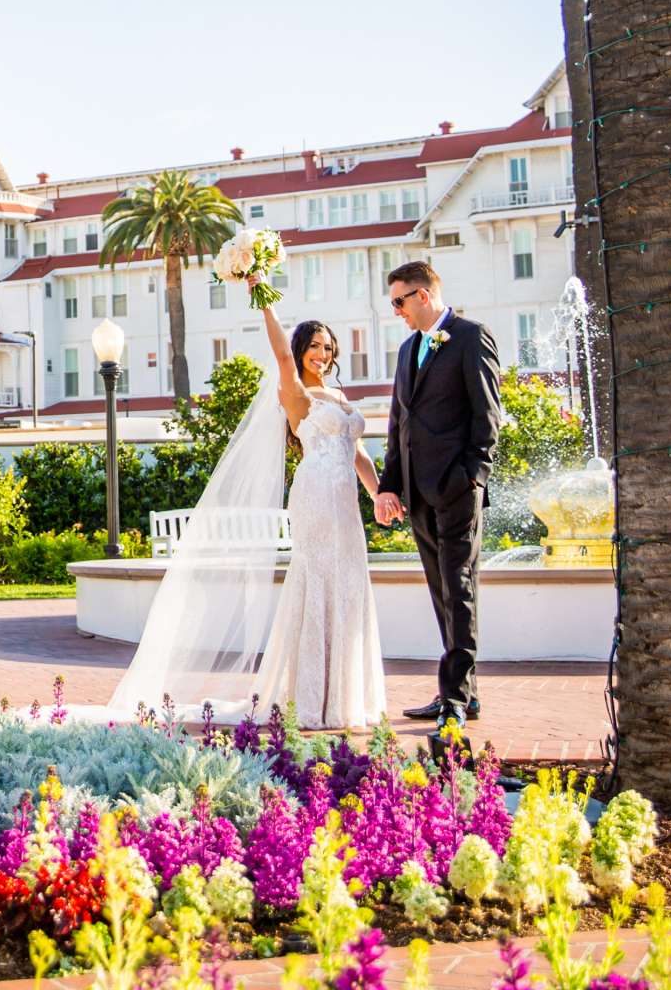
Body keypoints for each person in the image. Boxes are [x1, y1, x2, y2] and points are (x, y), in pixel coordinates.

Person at [107, 290, 386, 730]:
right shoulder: (295, 391)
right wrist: (262, 292)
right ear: (301, 350)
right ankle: (310, 699)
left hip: (346, 502)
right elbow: (279, 349)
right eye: (314, 345)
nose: (322, 353)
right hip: (315, 495)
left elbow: (358, 454)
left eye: (328, 347)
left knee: (348, 583)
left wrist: (378, 494)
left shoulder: (339, 394)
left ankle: (346, 697)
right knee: (317, 581)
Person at [374, 260, 501, 727]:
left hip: (456, 489)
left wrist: (472, 476)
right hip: (418, 494)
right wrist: (390, 485)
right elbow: (398, 425)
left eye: (399, 301)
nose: (396, 311)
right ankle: (465, 692)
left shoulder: (471, 337)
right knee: (441, 592)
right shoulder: (408, 350)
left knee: (460, 588)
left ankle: (454, 699)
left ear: (423, 295)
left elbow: (487, 416)